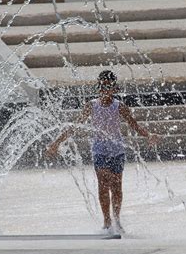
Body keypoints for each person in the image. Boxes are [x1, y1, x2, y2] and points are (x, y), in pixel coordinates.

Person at [47, 70, 158, 233]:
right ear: (98, 87)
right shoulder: (91, 105)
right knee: (103, 183)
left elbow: (134, 125)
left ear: (114, 88)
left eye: (108, 86)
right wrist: (57, 142)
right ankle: (107, 220)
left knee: (117, 187)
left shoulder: (119, 106)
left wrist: (148, 135)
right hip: (99, 150)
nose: (105, 89)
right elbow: (75, 127)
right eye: (102, 86)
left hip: (117, 150)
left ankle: (117, 218)